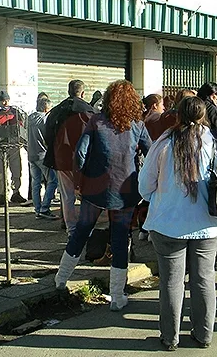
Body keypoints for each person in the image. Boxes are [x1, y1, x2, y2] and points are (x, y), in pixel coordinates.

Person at [139, 96, 217, 350]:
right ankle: (203, 335)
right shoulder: (214, 145)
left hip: (168, 224)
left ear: (177, 115)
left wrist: (160, 198)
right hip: (208, 225)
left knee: (171, 282)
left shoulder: (163, 143)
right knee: (204, 280)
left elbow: (145, 186)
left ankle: (170, 337)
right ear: (204, 116)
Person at [53, 80, 152, 312]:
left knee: (80, 232)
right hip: (126, 190)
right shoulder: (137, 124)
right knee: (120, 239)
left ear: (107, 99)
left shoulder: (96, 121)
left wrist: (79, 182)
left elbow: (80, 153)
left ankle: (61, 279)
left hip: (94, 188)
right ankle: (117, 296)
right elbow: (152, 151)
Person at [43, 80, 97, 236]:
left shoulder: (55, 111)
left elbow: (48, 135)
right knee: (87, 196)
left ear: (69, 92)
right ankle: (87, 227)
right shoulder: (88, 112)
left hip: (62, 160)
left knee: (67, 196)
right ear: (82, 93)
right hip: (84, 160)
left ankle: (71, 229)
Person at [0, 90, 26, 205]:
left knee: (16, 169)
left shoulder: (15, 111)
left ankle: (16, 192)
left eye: (6, 101)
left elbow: (21, 124)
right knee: (0, 171)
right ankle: (3, 193)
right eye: (2, 101)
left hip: (13, 144)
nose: (4, 103)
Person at [27, 97, 59, 220]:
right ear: (46, 108)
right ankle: (45, 208)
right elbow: (49, 136)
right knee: (52, 181)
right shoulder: (45, 119)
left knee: (36, 183)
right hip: (42, 154)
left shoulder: (29, 118)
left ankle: (37, 210)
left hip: (31, 154)